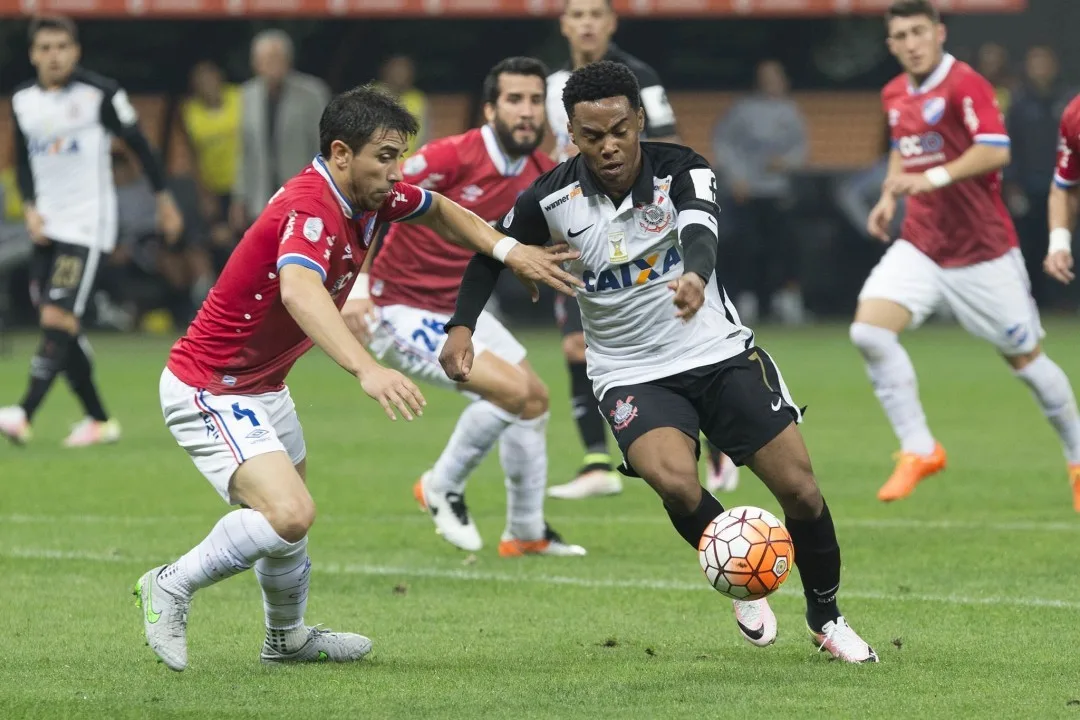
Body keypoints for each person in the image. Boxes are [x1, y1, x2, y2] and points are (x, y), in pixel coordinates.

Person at [133, 84, 582, 673]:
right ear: (341, 153)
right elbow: (299, 290)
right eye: (386, 156)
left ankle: (285, 640)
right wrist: (367, 369)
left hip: (262, 387)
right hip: (211, 386)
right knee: (289, 514)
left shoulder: (367, 194)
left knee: (287, 524)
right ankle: (169, 583)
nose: (397, 172)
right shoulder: (311, 206)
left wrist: (507, 250)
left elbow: (442, 210)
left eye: (399, 155)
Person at [441, 60, 878, 663]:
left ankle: (827, 617)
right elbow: (492, 251)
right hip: (628, 370)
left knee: (801, 490)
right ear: (572, 135)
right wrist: (462, 327)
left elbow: (702, 228)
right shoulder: (552, 196)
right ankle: (738, 562)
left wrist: (696, 274)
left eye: (620, 129)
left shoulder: (683, 169)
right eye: (592, 136)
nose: (610, 145)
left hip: (717, 352)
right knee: (673, 479)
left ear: (639, 120)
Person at [342, 58, 585, 557]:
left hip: (460, 311)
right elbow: (370, 198)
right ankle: (441, 485)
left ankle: (525, 532)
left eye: (535, 101)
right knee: (513, 391)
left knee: (534, 399)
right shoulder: (452, 155)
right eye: (514, 100)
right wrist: (360, 284)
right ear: (491, 108)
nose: (526, 111)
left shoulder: (543, 175)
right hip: (398, 308)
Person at [852, 0, 1080, 507]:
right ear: (890, 45)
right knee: (868, 331)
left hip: (983, 253)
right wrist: (890, 196)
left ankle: (1078, 457)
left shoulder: (965, 83)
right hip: (923, 245)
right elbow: (903, 146)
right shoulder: (894, 93)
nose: (911, 43)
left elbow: (996, 149)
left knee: (1026, 360)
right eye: (900, 36)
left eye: (918, 32)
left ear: (939, 32)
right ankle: (919, 448)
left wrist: (927, 178)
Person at [0, 16, 183, 447]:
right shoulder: (23, 100)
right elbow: (24, 163)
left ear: (75, 51)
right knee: (64, 327)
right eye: (44, 48)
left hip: (86, 225)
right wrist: (29, 208)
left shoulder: (100, 94)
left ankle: (23, 413)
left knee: (56, 317)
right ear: (33, 54)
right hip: (46, 226)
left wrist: (164, 199)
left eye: (61, 46)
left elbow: (140, 145)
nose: (53, 55)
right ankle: (98, 420)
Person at [544, 0, 684, 500]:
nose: (585, 24)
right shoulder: (550, 83)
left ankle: (707, 449)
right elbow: (545, 153)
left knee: (664, 335)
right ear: (563, 24)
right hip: (574, 228)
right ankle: (596, 461)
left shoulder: (638, 76)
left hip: (637, 226)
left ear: (611, 23)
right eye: (576, 14)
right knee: (575, 346)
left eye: (594, 15)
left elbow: (668, 141)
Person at [230, 29, 331, 233]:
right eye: (267, 59)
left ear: (289, 60)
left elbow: (324, 145)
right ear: (255, 63)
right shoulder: (246, 95)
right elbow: (245, 150)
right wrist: (239, 198)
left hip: (302, 193)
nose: (273, 64)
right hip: (260, 197)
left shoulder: (312, 92)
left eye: (278, 58)